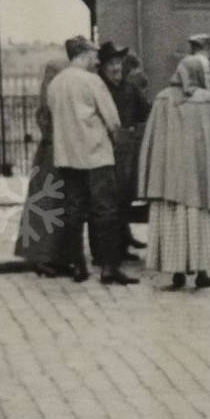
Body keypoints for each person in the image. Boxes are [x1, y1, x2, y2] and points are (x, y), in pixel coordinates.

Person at [136, 54, 210, 290]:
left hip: (168, 177)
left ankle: (176, 271)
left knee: (171, 221)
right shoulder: (207, 102)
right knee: (198, 221)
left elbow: (154, 141)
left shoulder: (162, 99)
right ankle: (201, 271)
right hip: (199, 178)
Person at [46, 35, 136, 285]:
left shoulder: (56, 84)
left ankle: (77, 266)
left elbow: (54, 115)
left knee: (73, 211)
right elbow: (113, 120)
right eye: (94, 55)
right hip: (96, 155)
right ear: (84, 55)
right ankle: (109, 268)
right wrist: (114, 142)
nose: (97, 59)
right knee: (105, 211)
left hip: (67, 156)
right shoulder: (92, 81)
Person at [15, 56, 71, 277]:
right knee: (47, 203)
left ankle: (52, 255)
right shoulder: (50, 97)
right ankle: (41, 256)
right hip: (51, 152)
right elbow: (45, 119)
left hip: (55, 150)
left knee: (56, 203)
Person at [97, 41, 151, 259]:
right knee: (103, 202)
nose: (116, 67)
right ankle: (103, 252)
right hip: (102, 149)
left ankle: (120, 246)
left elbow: (144, 112)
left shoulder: (130, 88)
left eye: (119, 62)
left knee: (122, 198)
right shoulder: (98, 88)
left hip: (125, 151)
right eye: (111, 62)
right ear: (102, 66)